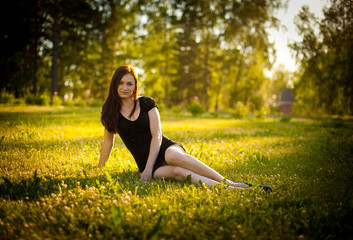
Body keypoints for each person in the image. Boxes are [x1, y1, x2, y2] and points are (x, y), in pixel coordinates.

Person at [97, 65, 271, 191]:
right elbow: (108, 144)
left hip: (164, 149)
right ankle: (233, 190)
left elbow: (157, 135)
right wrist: (100, 168)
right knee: (179, 172)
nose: (125, 88)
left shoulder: (146, 103)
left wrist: (150, 168)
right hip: (146, 164)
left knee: (173, 156)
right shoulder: (110, 112)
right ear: (114, 85)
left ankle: (229, 183)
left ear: (135, 86)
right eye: (121, 83)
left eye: (129, 84)